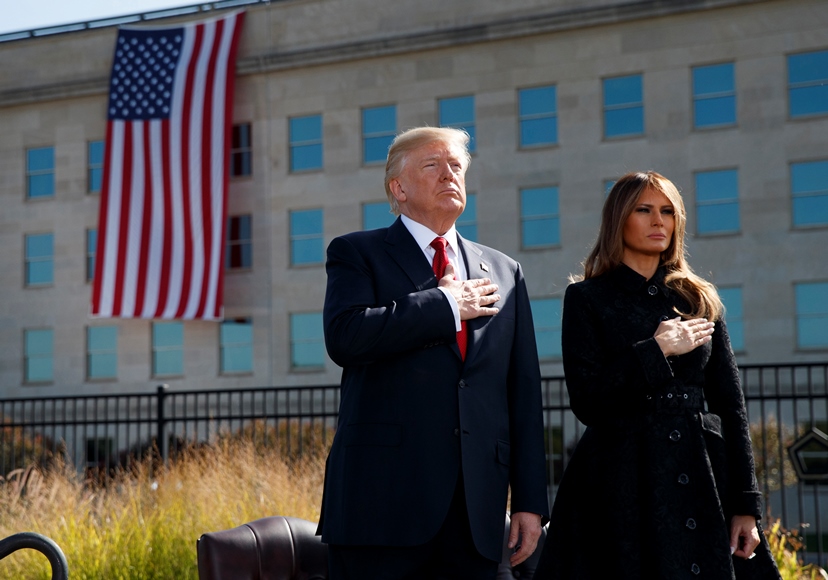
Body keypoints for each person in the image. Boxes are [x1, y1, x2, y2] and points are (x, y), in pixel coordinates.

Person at [317, 126, 550, 580]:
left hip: (477, 517)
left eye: (457, 166)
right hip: (381, 511)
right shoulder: (356, 253)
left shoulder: (504, 270)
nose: (450, 175)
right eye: (433, 166)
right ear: (398, 188)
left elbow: (522, 392)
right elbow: (345, 337)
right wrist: (444, 305)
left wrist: (529, 503)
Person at [533, 171, 781, 579]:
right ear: (619, 220)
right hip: (619, 481)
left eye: (667, 211)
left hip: (702, 475)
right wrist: (656, 350)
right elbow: (587, 401)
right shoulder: (587, 298)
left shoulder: (698, 297)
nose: (658, 221)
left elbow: (730, 406)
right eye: (644, 210)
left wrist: (745, 505)